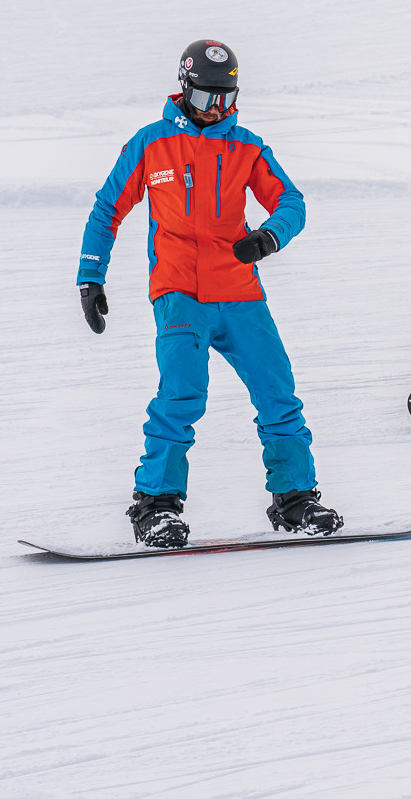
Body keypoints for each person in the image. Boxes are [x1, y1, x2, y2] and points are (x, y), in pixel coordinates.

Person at [77, 40, 338, 550]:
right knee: (182, 394)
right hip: (179, 291)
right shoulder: (152, 144)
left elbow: (291, 200)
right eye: (206, 100)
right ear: (184, 89)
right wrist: (91, 275)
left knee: (278, 394)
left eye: (226, 99)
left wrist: (271, 235)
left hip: (239, 289)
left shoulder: (247, 146)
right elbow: (108, 207)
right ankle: (156, 505)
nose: (216, 110)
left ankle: (295, 499)